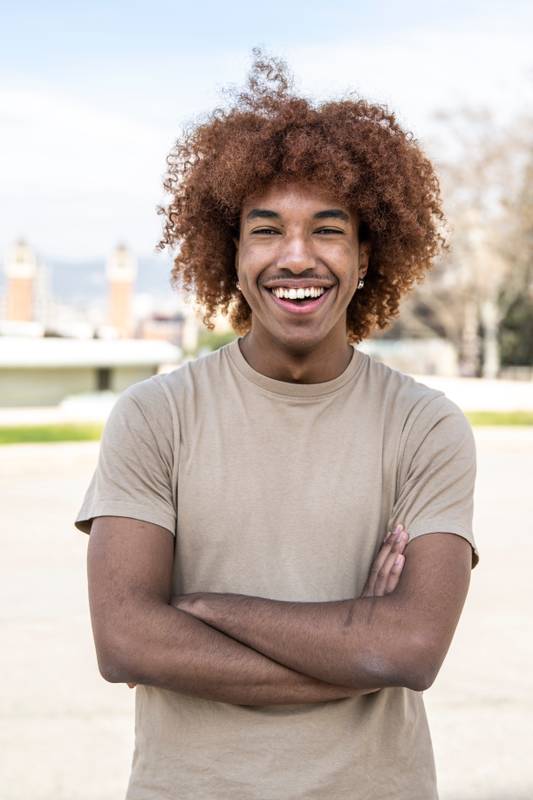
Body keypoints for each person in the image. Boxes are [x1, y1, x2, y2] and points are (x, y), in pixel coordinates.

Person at [74, 51, 479, 800]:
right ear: (230, 257)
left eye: (327, 230)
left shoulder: (425, 427)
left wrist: (197, 611)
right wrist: (351, 638)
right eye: (266, 231)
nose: (297, 257)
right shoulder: (154, 416)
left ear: (364, 256)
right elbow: (125, 639)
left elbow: (411, 649)